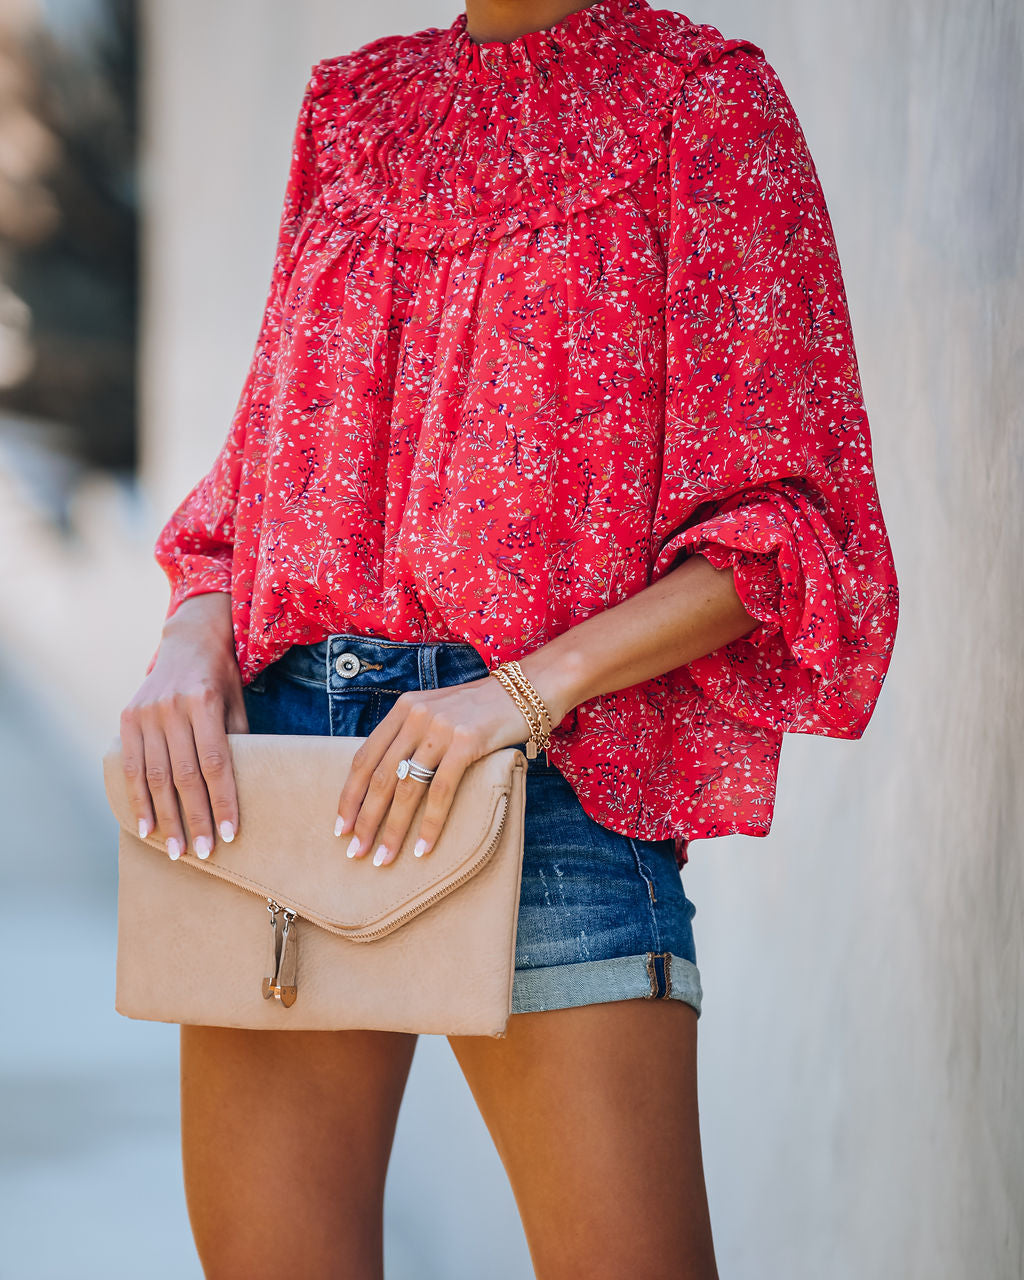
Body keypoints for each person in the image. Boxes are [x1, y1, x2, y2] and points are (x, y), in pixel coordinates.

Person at [119, 0, 899, 1275]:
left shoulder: (706, 107)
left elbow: (783, 531)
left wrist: (516, 698)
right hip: (283, 773)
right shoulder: (352, 110)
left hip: (554, 776)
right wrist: (191, 635)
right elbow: (263, 474)